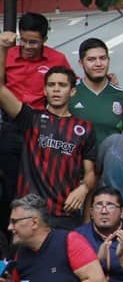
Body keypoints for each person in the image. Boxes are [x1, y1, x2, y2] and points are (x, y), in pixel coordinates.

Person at [0, 35, 96, 230]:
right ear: (44, 90)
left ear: (73, 91)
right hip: (29, 214)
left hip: (65, 215)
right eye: (51, 85)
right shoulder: (30, 118)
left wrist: (84, 188)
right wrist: (2, 50)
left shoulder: (84, 128)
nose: (56, 90)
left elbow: (91, 173)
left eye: (62, 85)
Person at [0, 14, 71, 226]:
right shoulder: (8, 54)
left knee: (41, 181)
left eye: (34, 42)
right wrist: (3, 49)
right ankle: (9, 229)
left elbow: (70, 86)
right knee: (10, 181)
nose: (28, 46)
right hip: (11, 122)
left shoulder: (56, 59)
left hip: (43, 124)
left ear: (45, 40)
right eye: (24, 40)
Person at [8, 193, 106, 282]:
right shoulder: (21, 253)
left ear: (34, 222)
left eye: (14, 222)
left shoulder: (69, 241)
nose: (9, 227)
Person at [71, 38, 123, 146]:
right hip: (76, 161)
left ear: (108, 60)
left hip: (111, 161)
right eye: (91, 59)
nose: (98, 63)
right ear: (81, 63)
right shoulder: (69, 93)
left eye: (103, 58)